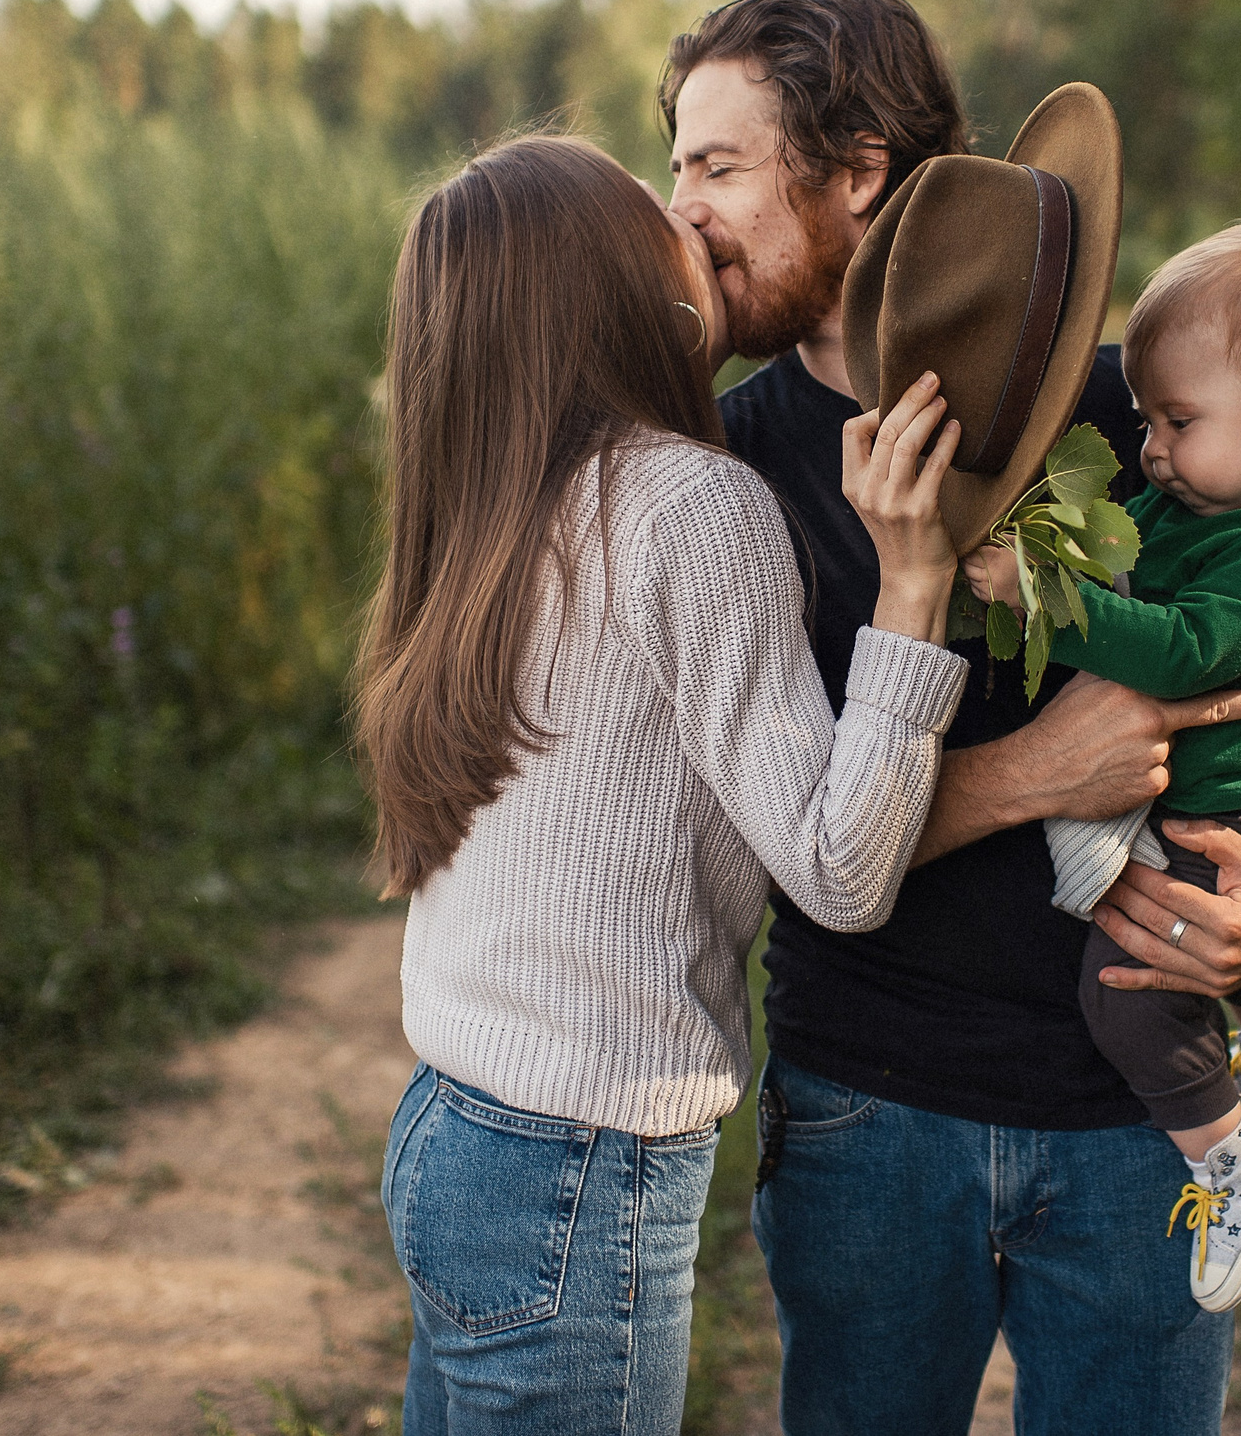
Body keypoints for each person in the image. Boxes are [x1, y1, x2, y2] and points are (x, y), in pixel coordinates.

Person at [664, 0, 1241, 1433]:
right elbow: (777, 844)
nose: (683, 212)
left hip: (1135, 1114)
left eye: (716, 167)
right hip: (872, 1107)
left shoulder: (1139, 413)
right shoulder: (724, 475)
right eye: (681, 165)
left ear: (856, 175)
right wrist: (1040, 769)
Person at [357, 133, 972, 1436]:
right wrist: (914, 588)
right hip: (577, 1161)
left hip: (452, 1127)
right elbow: (842, 871)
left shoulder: (501, 504)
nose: (693, 212)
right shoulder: (695, 506)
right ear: (620, 286)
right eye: (659, 205)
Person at [965, 217, 1241, 1312]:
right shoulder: (1216, 490)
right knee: (1209, 921)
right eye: (1144, 419)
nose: (1148, 448)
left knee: (1130, 988)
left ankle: (1237, 1163)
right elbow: (1138, 529)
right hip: (1232, 793)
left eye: (1177, 421)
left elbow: (1176, 650)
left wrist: (1042, 593)